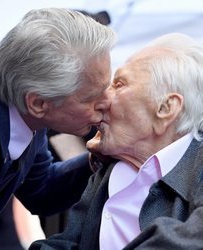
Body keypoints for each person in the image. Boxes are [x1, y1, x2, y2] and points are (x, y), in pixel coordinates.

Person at [0, 8, 116, 249]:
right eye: (92, 97)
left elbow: (41, 189)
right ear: (38, 103)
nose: (108, 103)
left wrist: (101, 156)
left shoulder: (25, 83)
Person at [29, 33, 203, 250]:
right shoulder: (109, 170)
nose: (102, 100)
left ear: (165, 108)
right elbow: (71, 243)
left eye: (119, 84)